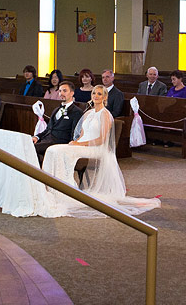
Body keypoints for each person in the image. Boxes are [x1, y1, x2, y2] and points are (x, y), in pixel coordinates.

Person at [41, 84, 160, 216]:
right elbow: (82, 133)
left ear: (104, 97)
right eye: (94, 93)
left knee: (60, 152)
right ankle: (51, 188)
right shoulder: (88, 113)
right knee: (52, 150)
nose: (96, 96)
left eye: (99, 94)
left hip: (96, 148)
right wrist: (76, 142)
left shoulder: (105, 114)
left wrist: (80, 145)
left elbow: (101, 139)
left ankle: (68, 191)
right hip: (83, 144)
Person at [32, 81, 83, 157]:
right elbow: (48, 129)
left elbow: (75, 134)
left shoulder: (77, 112)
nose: (61, 93)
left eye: (64, 91)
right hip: (46, 140)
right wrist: (37, 137)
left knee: (31, 149)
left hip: (58, 143)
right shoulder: (56, 110)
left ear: (72, 93)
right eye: (60, 91)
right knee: (26, 143)